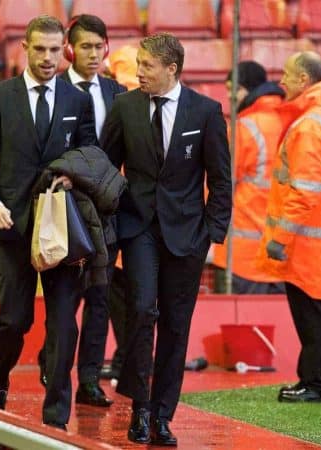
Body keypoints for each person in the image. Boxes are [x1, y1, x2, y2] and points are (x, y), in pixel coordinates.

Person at [101, 33, 232, 445]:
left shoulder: (207, 112)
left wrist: (212, 233)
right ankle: (139, 408)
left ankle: (162, 416)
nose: (138, 71)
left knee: (177, 327)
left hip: (187, 236)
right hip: (137, 228)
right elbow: (105, 167)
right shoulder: (124, 106)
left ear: (171, 68)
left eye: (146, 65)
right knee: (141, 312)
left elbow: (222, 180)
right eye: (138, 63)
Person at [0, 15, 97, 430]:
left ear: (65, 51)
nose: (47, 57)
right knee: (14, 319)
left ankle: (56, 417)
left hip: (62, 226)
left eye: (55, 50)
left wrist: (73, 173)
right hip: (11, 227)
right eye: (39, 49)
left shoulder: (77, 101)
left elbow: (90, 152)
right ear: (24, 46)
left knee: (62, 322)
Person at [37, 14, 126, 407]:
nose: (93, 53)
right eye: (85, 46)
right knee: (65, 298)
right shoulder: (54, 91)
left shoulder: (118, 93)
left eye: (99, 45)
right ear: (70, 49)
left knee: (101, 297)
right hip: (67, 207)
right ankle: (52, 359)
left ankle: (90, 378)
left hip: (107, 210)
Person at [258, 51, 321, 403]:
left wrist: (280, 239)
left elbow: (306, 190)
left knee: (314, 319)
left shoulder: (311, 125)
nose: (281, 81)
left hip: (308, 244)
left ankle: (317, 383)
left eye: (287, 75)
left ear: (304, 80)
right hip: (320, 239)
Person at [212, 61, 285, 294]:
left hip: (242, 258)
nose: (230, 98)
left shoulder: (243, 128)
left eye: (232, 89)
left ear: (246, 89)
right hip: (284, 253)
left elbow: (220, 184)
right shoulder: (295, 122)